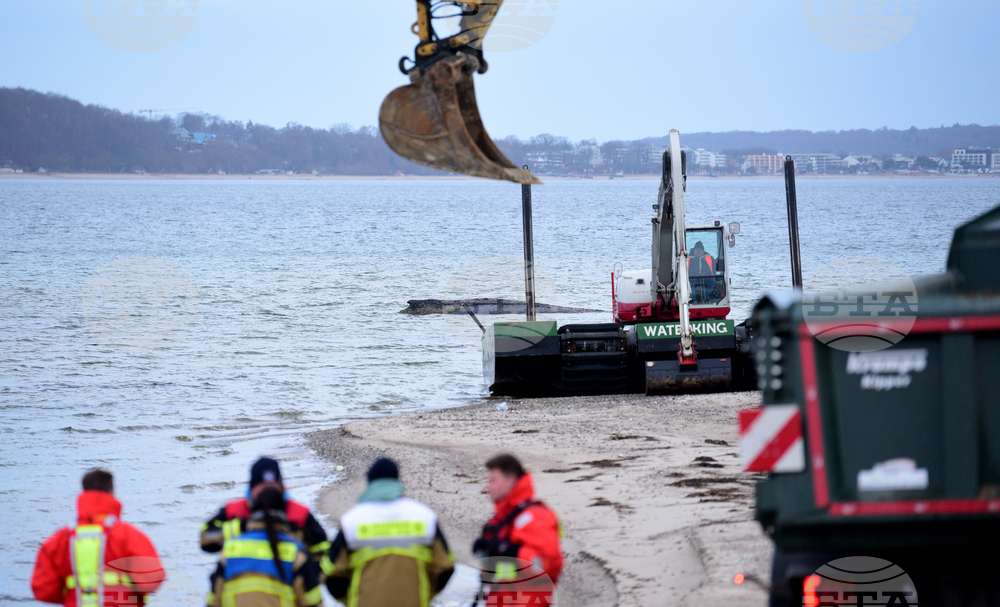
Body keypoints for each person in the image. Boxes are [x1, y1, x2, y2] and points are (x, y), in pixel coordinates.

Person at [322, 457, 454, 607]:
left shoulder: (353, 521)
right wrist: (426, 595)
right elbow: (446, 566)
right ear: (397, 481)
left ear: (370, 482)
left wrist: (351, 599)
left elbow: (332, 572)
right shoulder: (424, 517)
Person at [31, 469, 165, 606]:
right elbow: (152, 580)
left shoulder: (59, 539)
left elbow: (43, 589)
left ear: (83, 492)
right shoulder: (128, 535)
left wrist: (72, 595)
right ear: (111, 492)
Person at [473, 454, 563, 607]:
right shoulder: (502, 520)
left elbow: (550, 563)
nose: (488, 487)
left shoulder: (535, 516)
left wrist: (512, 553)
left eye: (493, 480)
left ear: (511, 480)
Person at [208, 487, 323, 607]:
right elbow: (313, 603)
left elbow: (213, 602)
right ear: (285, 514)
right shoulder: (296, 555)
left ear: (252, 512)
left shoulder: (229, 552)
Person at [200, 457, 329, 559]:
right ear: (252, 489)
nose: (268, 491)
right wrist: (242, 526)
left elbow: (323, 550)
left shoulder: (300, 514)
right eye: (263, 487)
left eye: (273, 486)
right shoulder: (233, 511)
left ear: (281, 486)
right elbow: (205, 539)